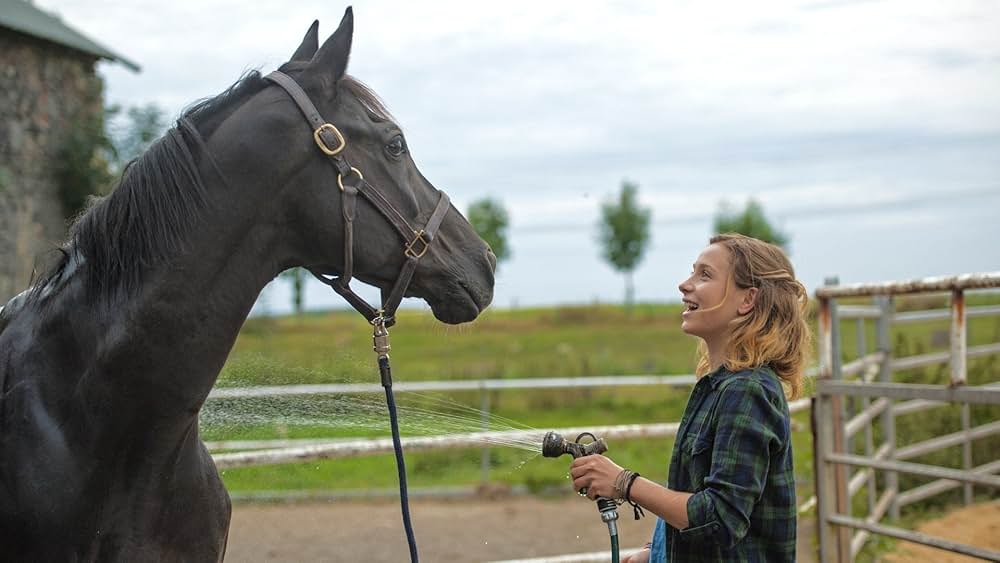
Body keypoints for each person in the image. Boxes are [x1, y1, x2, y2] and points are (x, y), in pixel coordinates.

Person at [570, 233, 810, 562]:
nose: (685, 284)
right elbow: (700, 498)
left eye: (705, 275)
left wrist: (624, 482)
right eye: (692, 271)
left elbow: (720, 518)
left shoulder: (747, 390)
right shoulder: (719, 386)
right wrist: (655, 552)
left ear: (747, 300)